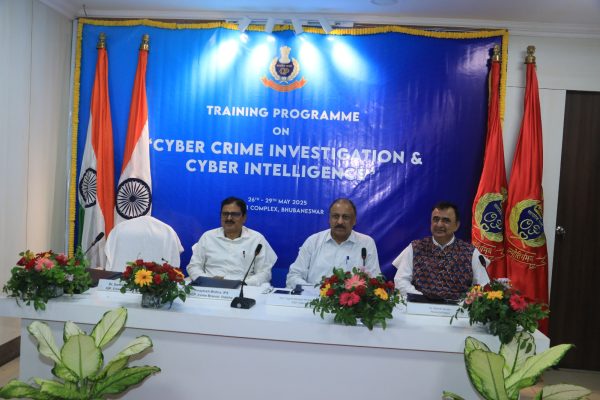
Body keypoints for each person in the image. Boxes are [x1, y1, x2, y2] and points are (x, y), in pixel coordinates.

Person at [393, 201, 490, 300]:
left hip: (459, 308)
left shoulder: (471, 252)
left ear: (457, 225)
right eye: (436, 219)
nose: (439, 224)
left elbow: (483, 286)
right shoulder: (415, 247)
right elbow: (401, 281)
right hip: (419, 306)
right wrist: (421, 299)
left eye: (446, 220)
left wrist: (465, 302)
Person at [286, 198, 380, 288]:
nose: (340, 222)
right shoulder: (313, 241)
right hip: (313, 297)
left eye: (345, 217)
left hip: (352, 299)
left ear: (354, 220)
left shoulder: (366, 243)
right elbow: (293, 276)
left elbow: (375, 281)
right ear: (329, 219)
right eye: (335, 216)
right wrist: (313, 291)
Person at [187, 197, 277, 286]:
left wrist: (243, 284)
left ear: (244, 217)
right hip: (210, 288)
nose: (229, 218)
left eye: (234, 214)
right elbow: (194, 266)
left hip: (244, 289)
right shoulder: (208, 237)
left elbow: (264, 273)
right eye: (225, 214)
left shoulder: (257, 239)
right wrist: (208, 281)